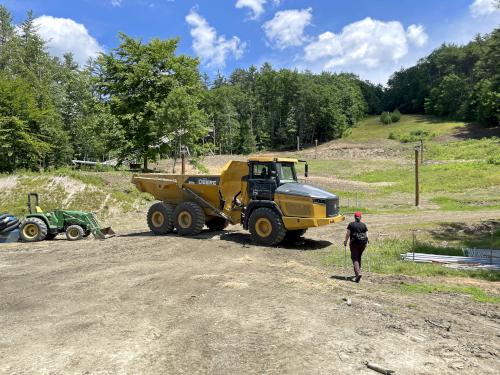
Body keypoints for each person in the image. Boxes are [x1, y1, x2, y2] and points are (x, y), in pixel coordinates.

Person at [343, 211, 368, 283]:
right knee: (359, 257)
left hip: (354, 244)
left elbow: (348, 234)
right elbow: (367, 235)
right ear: (360, 217)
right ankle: (358, 272)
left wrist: (345, 241)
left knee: (354, 258)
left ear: (354, 217)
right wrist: (367, 242)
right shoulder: (363, 225)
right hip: (363, 244)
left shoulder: (351, 224)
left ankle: (358, 274)